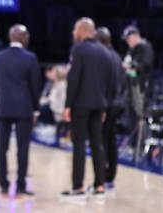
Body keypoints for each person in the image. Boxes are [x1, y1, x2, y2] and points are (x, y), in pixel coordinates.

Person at [61, 18, 115, 198]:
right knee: (97, 144)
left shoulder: (79, 49)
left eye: (75, 29)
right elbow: (110, 82)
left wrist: (68, 104)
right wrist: (105, 106)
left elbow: (73, 79)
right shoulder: (105, 52)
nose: (73, 33)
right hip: (100, 104)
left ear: (82, 31)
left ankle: (78, 186)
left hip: (81, 104)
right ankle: (100, 185)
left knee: (79, 145)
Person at [0, 25, 42, 199]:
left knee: (1, 148)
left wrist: (3, 98)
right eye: (27, 35)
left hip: (4, 107)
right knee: (23, 149)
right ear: (22, 37)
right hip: (24, 109)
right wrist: (36, 109)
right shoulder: (30, 58)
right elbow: (35, 86)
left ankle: (4, 188)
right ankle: (20, 187)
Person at [95, 26, 127, 190]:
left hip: (107, 105)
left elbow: (104, 85)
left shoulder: (103, 57)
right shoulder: (116, 56)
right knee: (111, 141)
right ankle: (110, 177)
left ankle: (101, 178)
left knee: (100, 141)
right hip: (118, 103)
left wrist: (102, 108)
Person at [122, 26, 154, 115]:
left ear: (136, 35)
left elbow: (144, 66)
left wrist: (130, 66)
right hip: (130, 89)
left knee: (140, 119)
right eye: (126, 39)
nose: (127, 41)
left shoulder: (146, 47)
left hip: (142, 90)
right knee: (130, 120)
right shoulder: (131, 50)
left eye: (129, 38)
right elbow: (126, 65)